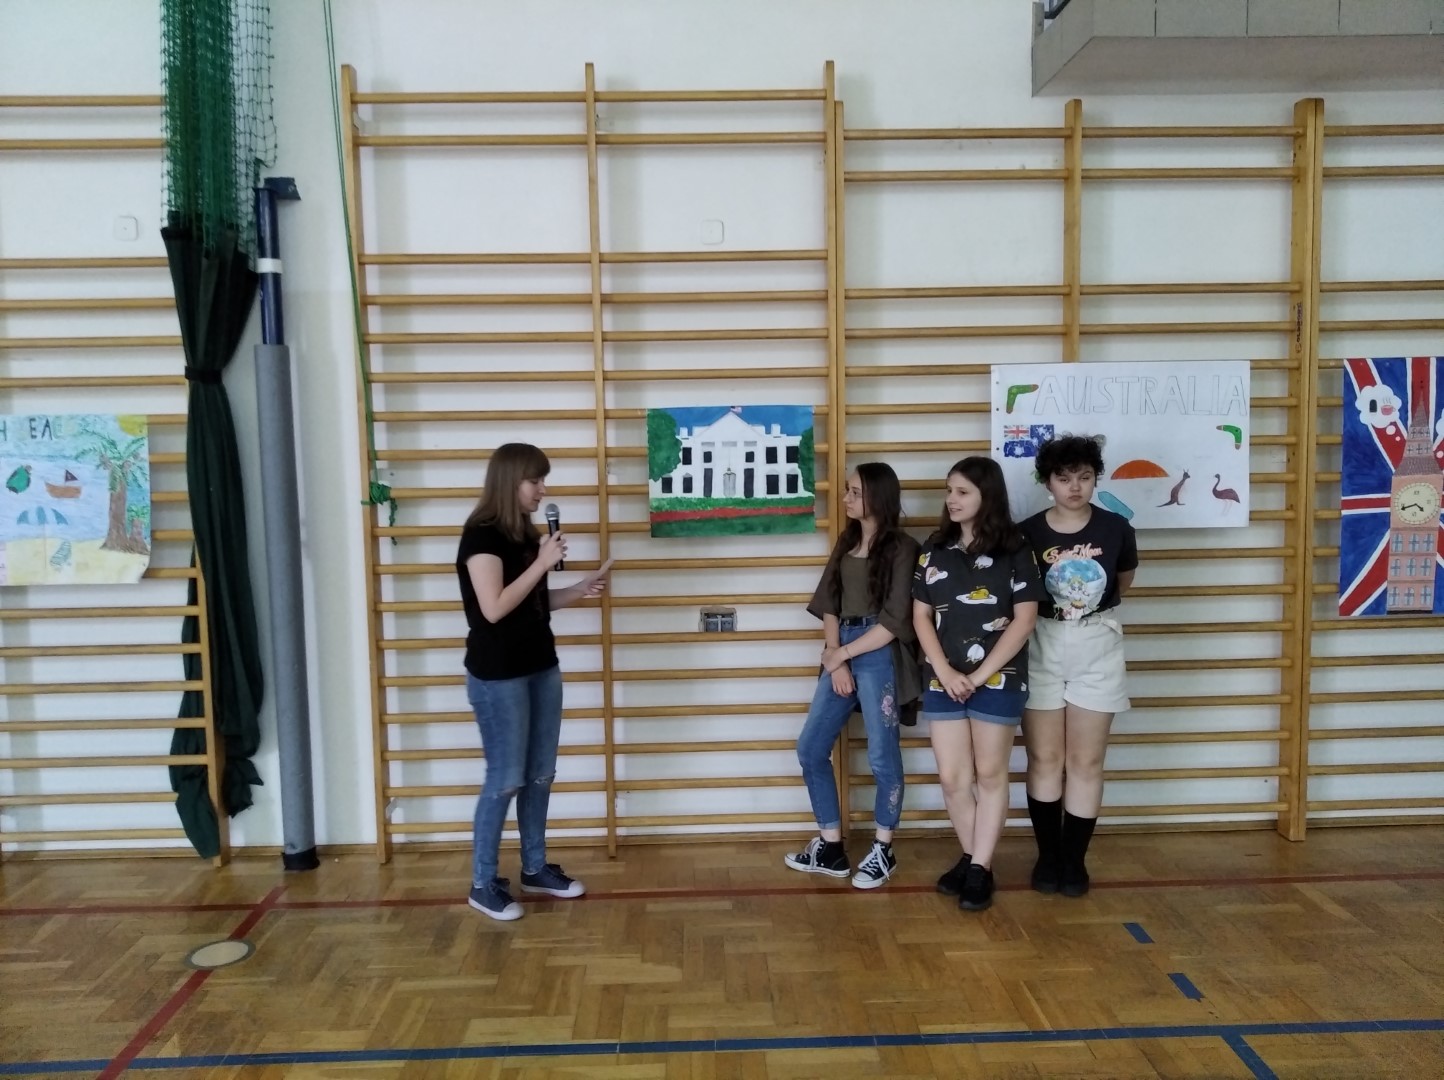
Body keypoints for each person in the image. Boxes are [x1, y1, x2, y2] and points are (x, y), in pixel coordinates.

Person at [456, 442, 613, 921]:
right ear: (511, 481)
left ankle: (535, 867)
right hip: (498, 676)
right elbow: (494, 608)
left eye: (544, 480)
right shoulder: (481, 535)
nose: (543, 489)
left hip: (541, 666)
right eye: (535, 480)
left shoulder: (524, 533)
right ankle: (483, 884)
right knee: (505, 779)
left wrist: (577, 590)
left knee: (540, 774)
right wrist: (542, 564)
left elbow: (533, 601)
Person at [913, 457, 1042, 912]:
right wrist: (947, 673)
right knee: (953, 778)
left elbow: (1025, 620)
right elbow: (920, 616)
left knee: (989, 774)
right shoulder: (934, 548)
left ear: (987, 496)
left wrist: (978, 676)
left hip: (998, 679)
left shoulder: (1017, 548)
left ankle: (978, 866)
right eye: (949, 490)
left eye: (963, 491)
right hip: (943, 679)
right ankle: (975, 861)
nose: (952, 499)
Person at [785, 463, 921, 888]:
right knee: (810, 748)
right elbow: (830, 602)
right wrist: (836, 659)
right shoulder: (846, 541)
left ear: (878, 496)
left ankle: (883, 847)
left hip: (879, 653)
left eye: (855, 492)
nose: (845, 499)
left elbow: (894, 620)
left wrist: (842, 654)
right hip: (841, 650)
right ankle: (830, 846)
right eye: (847, 490)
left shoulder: (903, 548)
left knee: (882, 755)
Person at [1019, 435, 1137, 898]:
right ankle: (1048, 856)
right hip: (1041, 641)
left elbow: (1122, 581)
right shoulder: (1026, 532)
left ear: (1095, 479)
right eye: (1064, 478)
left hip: (1097, 641)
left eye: (1084, 477)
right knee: (1045, 758)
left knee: (1086, 761)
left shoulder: (1116, 528)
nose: (1074, 487)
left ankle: (1074, 860)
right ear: (1047, 481)